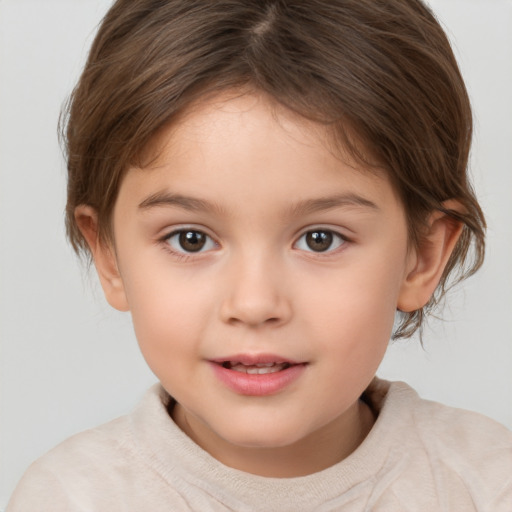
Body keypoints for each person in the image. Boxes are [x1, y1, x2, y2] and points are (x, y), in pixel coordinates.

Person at [7, 0, 512, 510]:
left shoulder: (488, 486)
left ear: (422, 256)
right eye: (190, 239)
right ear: (109, 255)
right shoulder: (70, 498)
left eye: (320, 239)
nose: (254, 304)